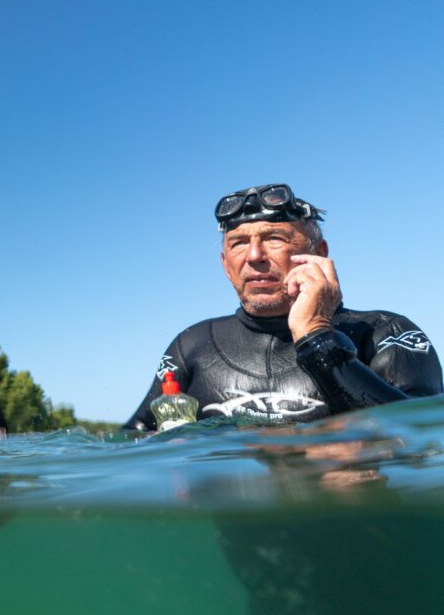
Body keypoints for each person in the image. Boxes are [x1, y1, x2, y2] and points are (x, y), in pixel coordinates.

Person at [123, 183, 442, 431]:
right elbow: (134, 439)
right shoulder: (191, 345)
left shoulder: (385, 332)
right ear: (225, 264)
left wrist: (316, 336)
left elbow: (425, 437)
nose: (254, 256)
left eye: (274, 238)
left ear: (318, 252)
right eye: (238, 243)